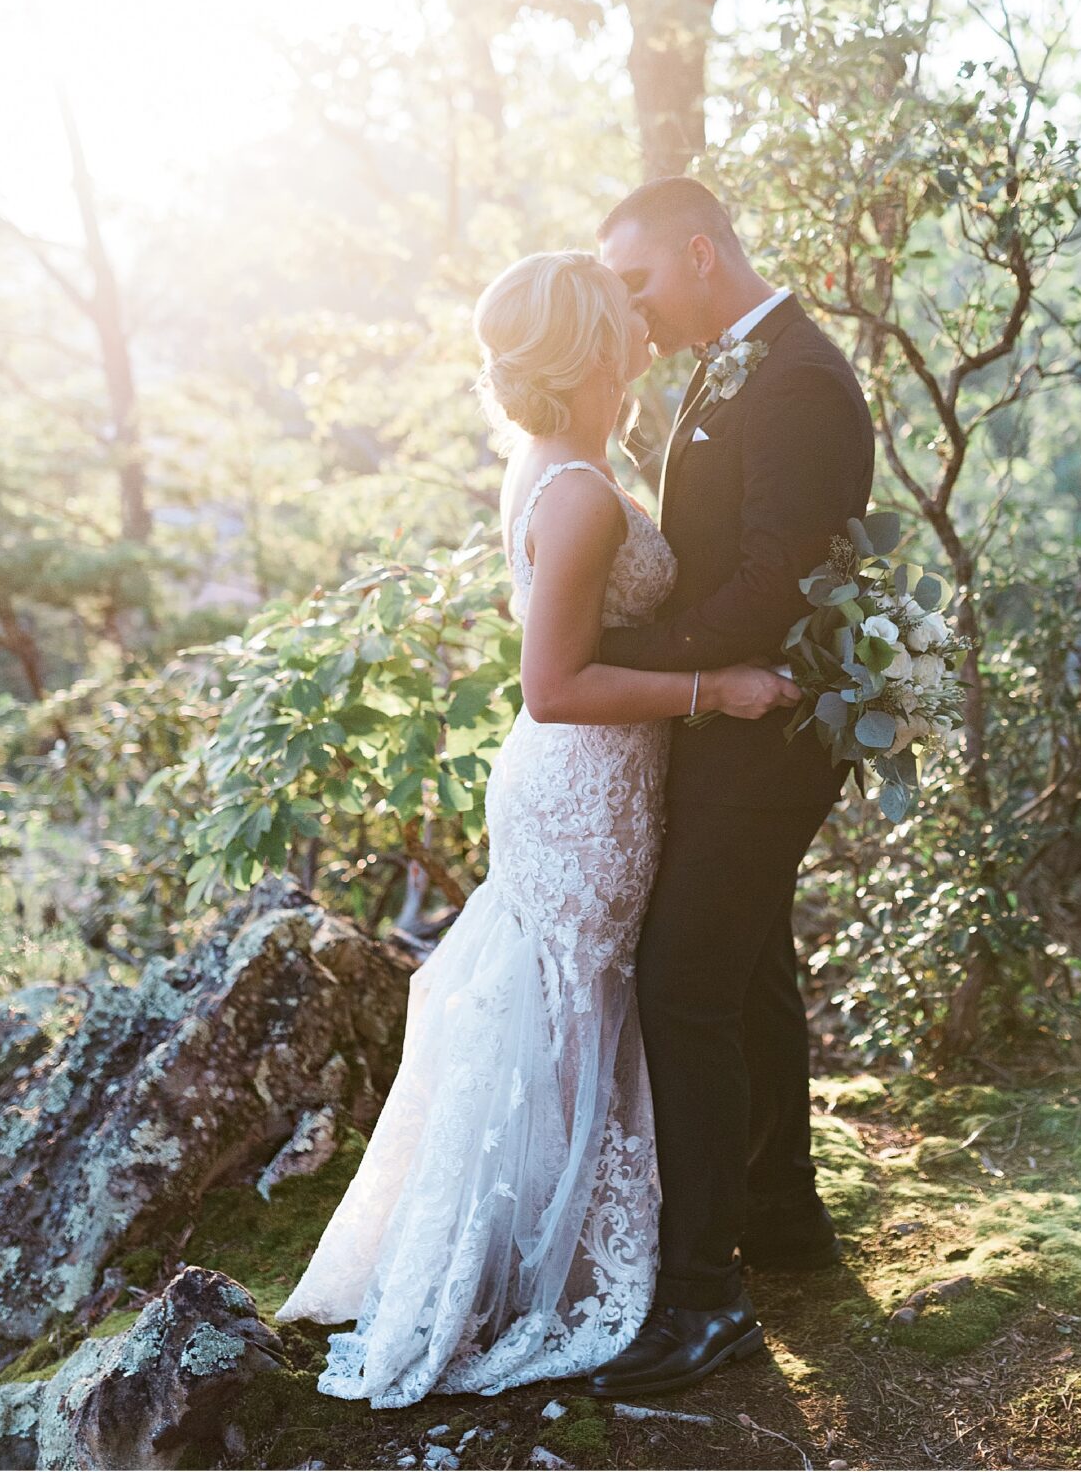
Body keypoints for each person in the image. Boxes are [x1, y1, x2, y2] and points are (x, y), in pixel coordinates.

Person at [274, 248, 794, 1407]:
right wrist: (722, 690)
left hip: (598, 775)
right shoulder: (574, 492)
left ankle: (555, 1242)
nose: (645, 321)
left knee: (574, 998)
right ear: (594, 345)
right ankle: (531, 1264)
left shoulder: (565, 468)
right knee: (571, 1000)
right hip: (581, 780)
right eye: (623, 311)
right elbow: (552, 683)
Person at [580, 177, 876, 1400]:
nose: (631, 311)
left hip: (772, 733)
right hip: (726, 723)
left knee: (682, 984)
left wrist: (621, 668)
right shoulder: (724, 362)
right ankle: (787, 1216)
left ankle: (703, 1300)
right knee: (749, 965)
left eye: (639, 281)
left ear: (701, 254)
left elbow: (771, 587)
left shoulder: (799, 378)